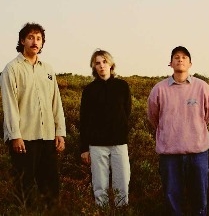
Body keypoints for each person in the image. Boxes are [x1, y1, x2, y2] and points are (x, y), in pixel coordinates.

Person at [0, 22, 66, 208]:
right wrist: (15, 136)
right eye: (30, 37)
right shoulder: (11, 69)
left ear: (42, 43)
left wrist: (60, 132)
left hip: (47, 137)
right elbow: (10, 104)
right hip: (24, 139)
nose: (34, 42)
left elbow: (56, 102)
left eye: (38, 38)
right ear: (22, 41)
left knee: (51, 188)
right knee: (24, 189)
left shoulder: (48, 69)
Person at [147, 46, 209, 215]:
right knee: (172, 200)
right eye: (176, 57)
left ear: (190, 63)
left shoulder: (202, 88)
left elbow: (208, 114)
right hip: (169, 154)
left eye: (184, 57)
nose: (180, 60)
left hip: (198, 153)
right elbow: (153, 116)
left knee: (199, 199)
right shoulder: (159, 89)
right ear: (170, 63)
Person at [80, 49, 131, 207]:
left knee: (122, 182)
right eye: (97, 63)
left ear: (111, 64)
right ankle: (101, 211)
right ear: (94, 67)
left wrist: (120, 130)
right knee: (100, 185)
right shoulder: (89, 90)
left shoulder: (122, 86)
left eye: (104, 62)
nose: (101, 65)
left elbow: (126, 111)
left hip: (119, 143)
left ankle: (121, 210)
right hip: (96, 145)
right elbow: (84, 119)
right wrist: (84, 148)